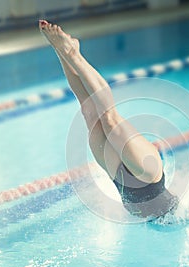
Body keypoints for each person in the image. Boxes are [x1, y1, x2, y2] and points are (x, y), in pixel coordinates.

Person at [39, 20, 178, 219]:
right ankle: (73, 54)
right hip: (149, 176)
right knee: (110, 119)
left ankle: (60, 50)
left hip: (121, 183)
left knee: (88, 111)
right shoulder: (184, 213)